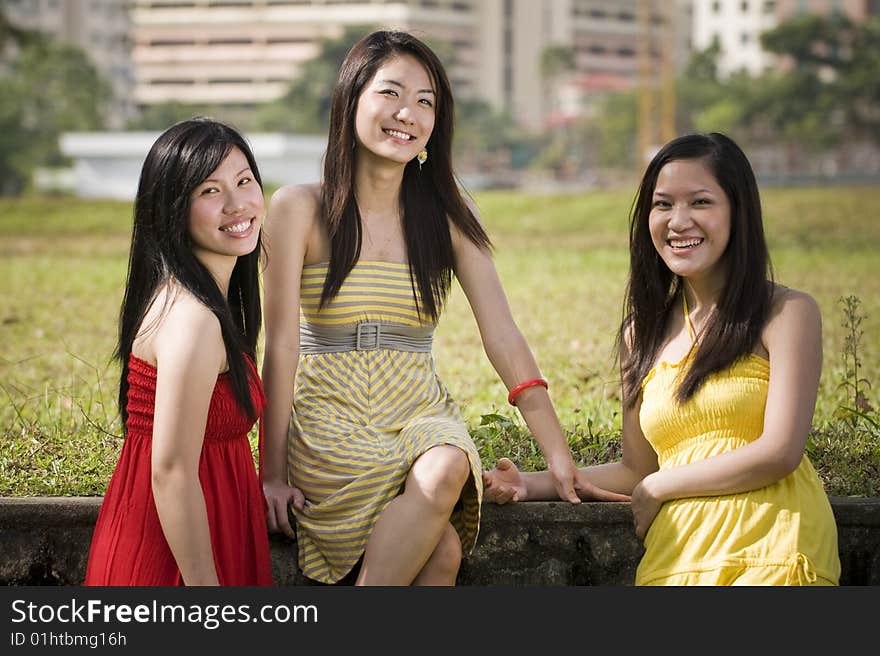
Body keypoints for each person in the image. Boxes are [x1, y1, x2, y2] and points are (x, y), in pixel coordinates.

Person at [260, 30, 625, 587]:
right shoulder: (298, 208)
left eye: (426, 101)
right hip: (331, 419)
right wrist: (273, 474)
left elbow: (502, 334)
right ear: (350, 100)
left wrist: (556, 450)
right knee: (442, 551)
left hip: (417, 411)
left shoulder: (450, 212)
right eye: (391, 93)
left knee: (449, 460)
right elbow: (281, 346)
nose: (408, 113)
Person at [483, 132, 842, 586]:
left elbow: (779, 452)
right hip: (675, 558)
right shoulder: (643, 333)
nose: (679, 221)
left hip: (772, 547)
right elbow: (637, 468)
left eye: (700, 202)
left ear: (739, 211)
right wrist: (527, 485)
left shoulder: (786, 313)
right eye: (663, 204)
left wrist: (660, 487)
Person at [84, 117, 273, 586]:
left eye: (244, 181)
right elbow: (170, 472)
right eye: (210, 191)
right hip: (175, 564)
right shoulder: (194, 318)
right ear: (171, 209)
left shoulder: (197, 300)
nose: (237, 204)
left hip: (193, 539)